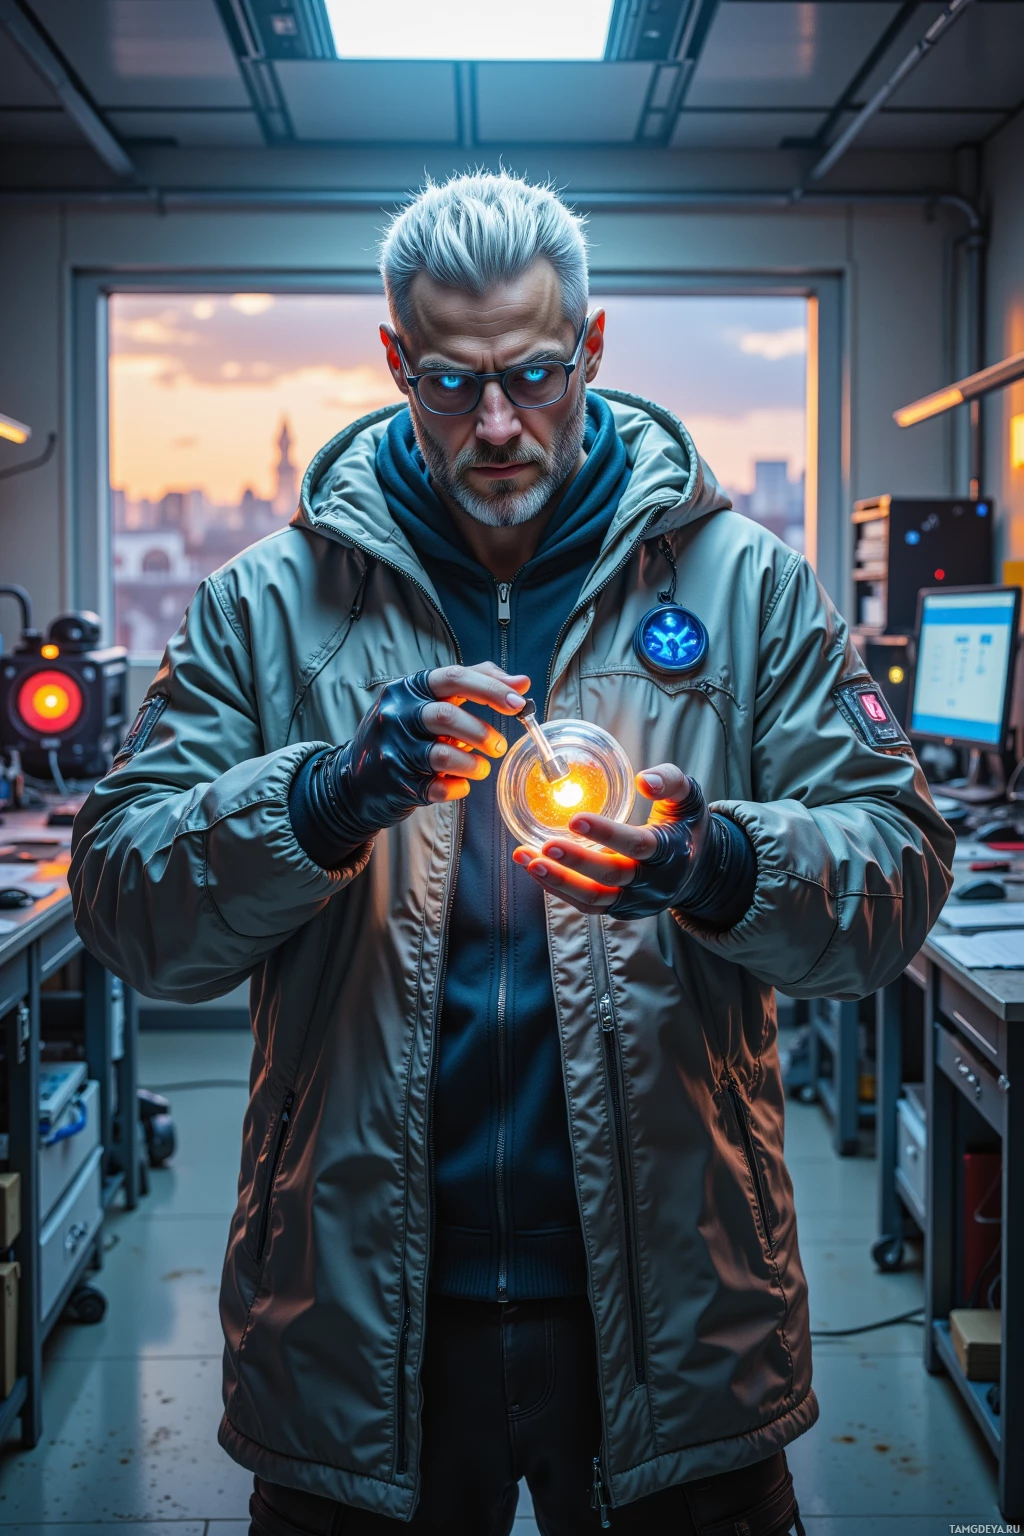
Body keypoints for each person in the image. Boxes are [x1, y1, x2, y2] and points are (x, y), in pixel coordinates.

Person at [70, 171, 953, 1535]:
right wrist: (323, 797)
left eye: (535, 375)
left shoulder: (746, 587)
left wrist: (714, 862)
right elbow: (124, 898)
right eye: (447, 379)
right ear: (391, 361)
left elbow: (898, 873)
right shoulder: (266, 605)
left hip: (677, 1310)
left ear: (593, 349)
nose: (495, 424)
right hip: (357, 1322)